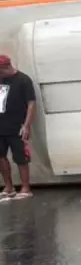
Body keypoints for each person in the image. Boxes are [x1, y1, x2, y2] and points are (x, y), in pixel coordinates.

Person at [0, 55, 36, 200]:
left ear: (6, 67)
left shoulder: (23, 80)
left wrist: (27, 125)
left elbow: (31, 103)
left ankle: (25, 188)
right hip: (1, 125)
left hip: (17, 126)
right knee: (1, 157)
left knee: (21, 158)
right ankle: (9, 187)